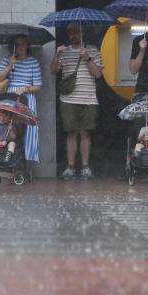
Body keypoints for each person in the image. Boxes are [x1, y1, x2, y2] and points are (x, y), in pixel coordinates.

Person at [50, 23, 104, 180]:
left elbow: (98, 74)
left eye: (76, 32)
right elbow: (53, 71)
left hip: (88, 98)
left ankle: (85, 167)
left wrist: (87, 58)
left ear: (83, 32)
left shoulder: (93, 49)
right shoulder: (63, 51)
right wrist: (57, 55)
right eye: (70, 32)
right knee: (71, 133)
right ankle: (71, 167)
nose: (73, 35)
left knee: (85, 133)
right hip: (68, 99)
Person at [0, 35, 42, 163]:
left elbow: (38, 85)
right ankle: (12, 159)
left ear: (27, 45)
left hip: (28, 97)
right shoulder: (7, 60)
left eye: (23, 44)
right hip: (11, 97)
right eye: (18, 44)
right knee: (10, 127)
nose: (21, 47)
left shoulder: (33, 62)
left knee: (29, 128)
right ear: (13, 46)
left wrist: (25, 89)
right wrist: (10, 65)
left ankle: (27, 160)